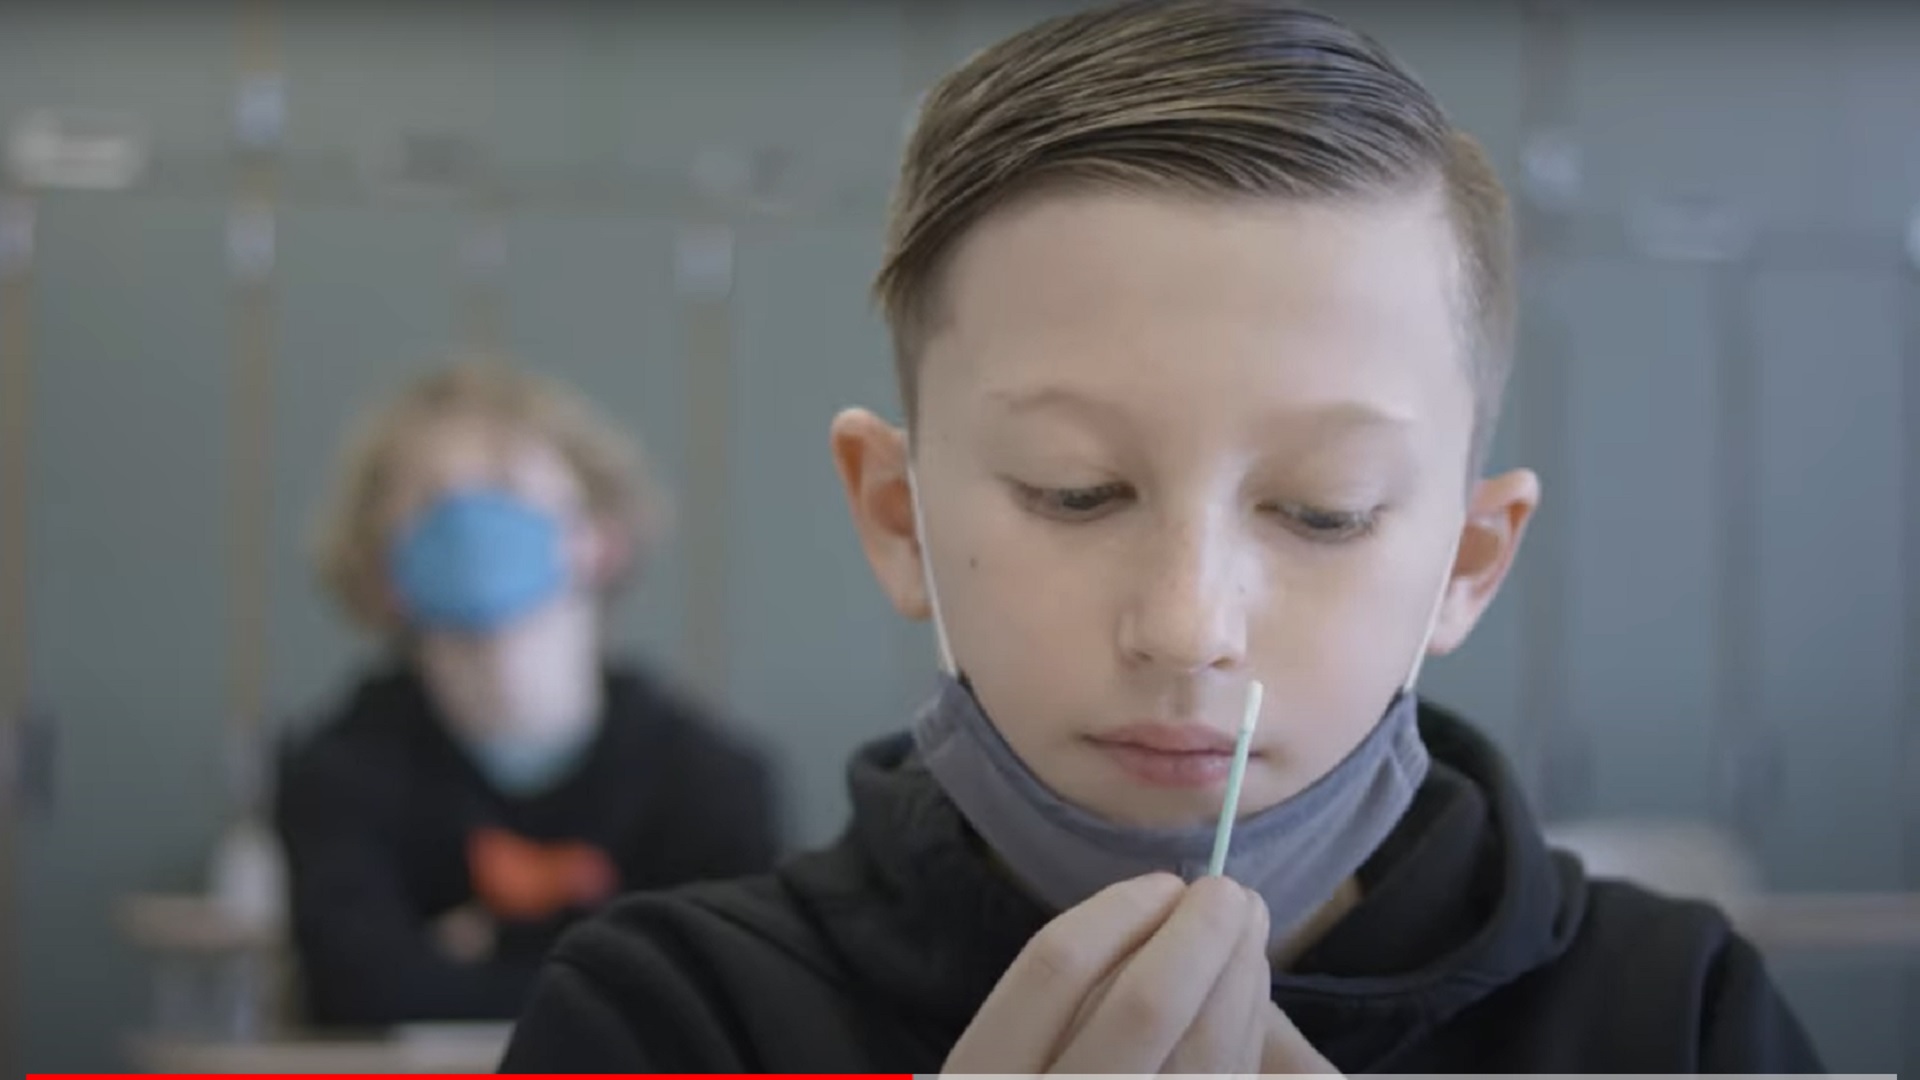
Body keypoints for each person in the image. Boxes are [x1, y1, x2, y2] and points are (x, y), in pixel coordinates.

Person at [499, 1, 1824, 1073]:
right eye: (1076, 491)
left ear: (1470, 562)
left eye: (1324, 510)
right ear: (896, 516)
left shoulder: (1683, 1022)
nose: (1190, 626)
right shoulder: (664, 1022)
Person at [275, 360, 780, 1029]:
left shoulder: (710, 781)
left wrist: (465, 963)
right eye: (431, 501)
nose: (469, 521)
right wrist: (617, 982)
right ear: (384, 568)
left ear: (597, 540)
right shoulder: (337, 777)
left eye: (505, 486)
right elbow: (358, 996)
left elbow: (735, 1008)